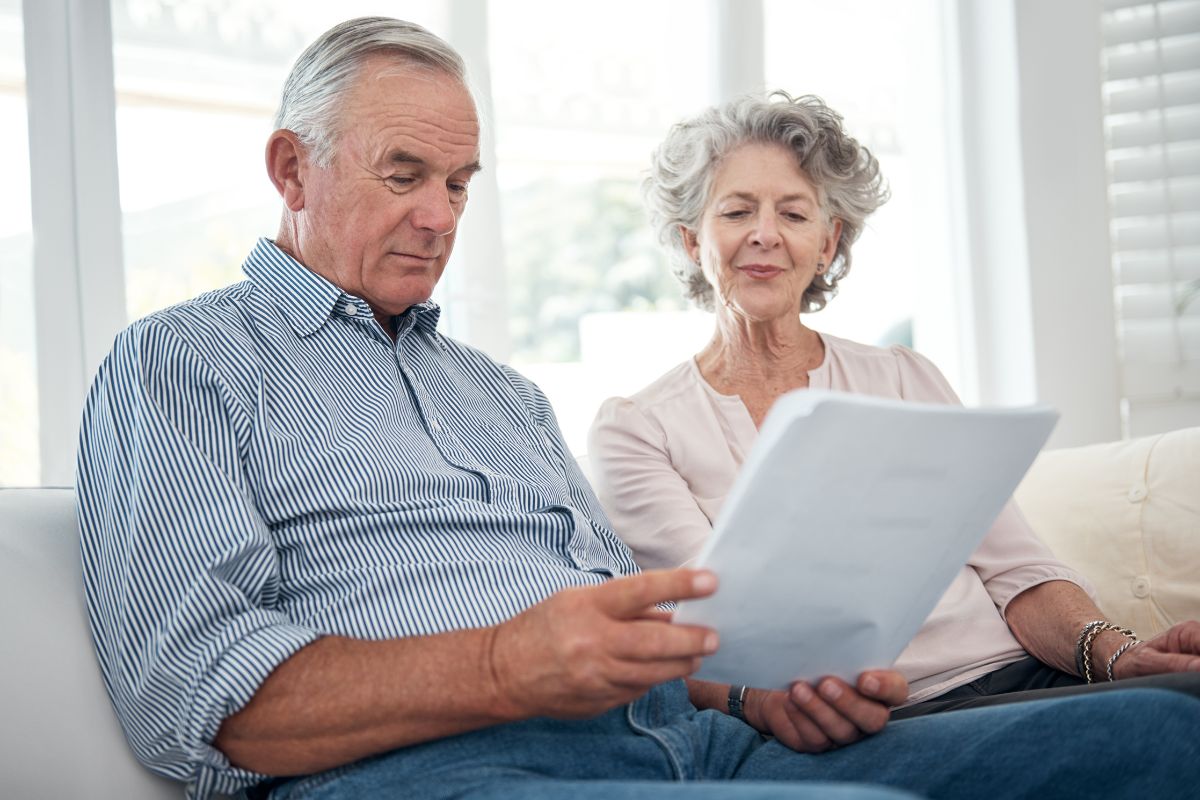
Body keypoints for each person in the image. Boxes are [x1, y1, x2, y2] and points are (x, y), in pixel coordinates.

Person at [75, 18, 1200, 800]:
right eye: (404, 172)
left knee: (1164, 732)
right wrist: (508, 664)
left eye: (460, 185)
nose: (438, 216)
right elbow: (200, 694)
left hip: (706, 744)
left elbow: (639, 630)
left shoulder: (501, 394)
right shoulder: (183, 363)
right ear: (291, 168)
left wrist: (757, 691)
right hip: (456, 768)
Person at [587, 91, 1200, 725]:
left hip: (1022, 674)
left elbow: (1016, 570)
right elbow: (711, 629)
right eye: (737, 211)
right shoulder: (639, 429)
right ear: (692, 241)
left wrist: (1119, 658)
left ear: (828, 244)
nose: (764, 234)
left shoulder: (903, 376)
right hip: (880, 716)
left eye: (794, 215)